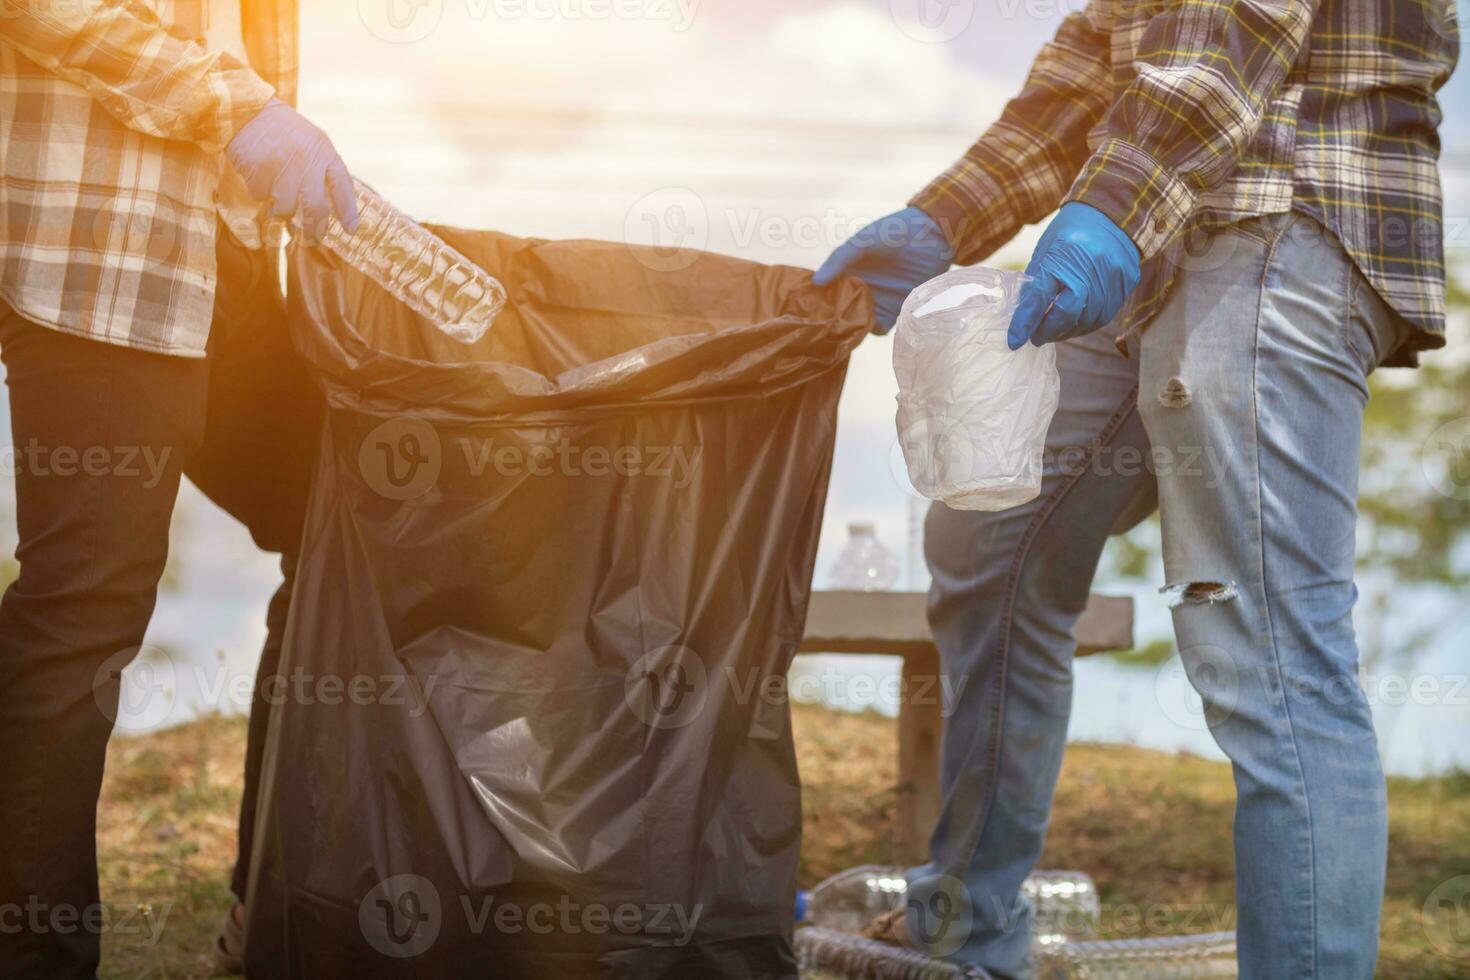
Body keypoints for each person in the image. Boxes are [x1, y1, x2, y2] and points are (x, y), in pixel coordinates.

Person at [815, 0, 1457, 975]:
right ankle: (968, 924)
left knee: (1271, 655)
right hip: (1161, 243)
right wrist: (947, 215)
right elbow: (1094, 67)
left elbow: (1239, 22)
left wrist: (1113, 207)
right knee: (991, 533)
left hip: (1279, 224)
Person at [0, 3, 354, 976]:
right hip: (98, 245)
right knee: (83, 611)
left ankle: (269, 914)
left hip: (222, 250)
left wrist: (268, 139)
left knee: (344, 529)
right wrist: (240, 110)